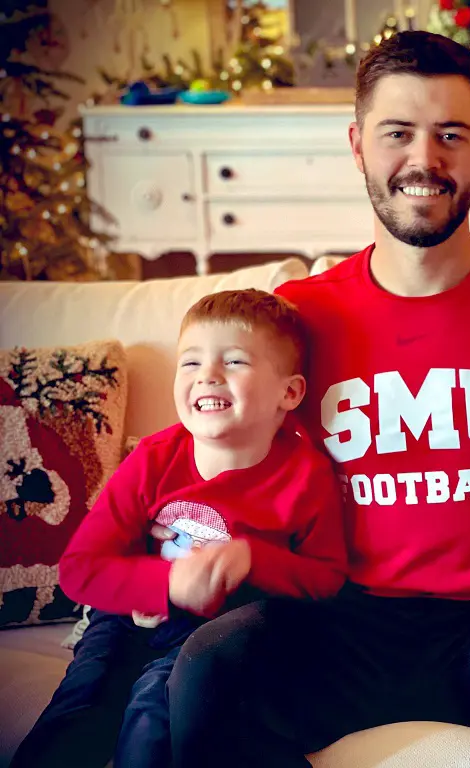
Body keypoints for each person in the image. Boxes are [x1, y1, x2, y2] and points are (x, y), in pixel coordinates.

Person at [166, 31, 470, 768]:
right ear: (358, 144)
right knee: (211, 666)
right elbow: (228, 464)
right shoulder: (296, 319)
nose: (424, 160)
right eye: (397, 133)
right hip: (345, 618)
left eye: (450, 135)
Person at [11, 289, 348, 768]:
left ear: (289, 393)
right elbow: (79, 569)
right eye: (190, 363)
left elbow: (327, 579)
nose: (207, 375)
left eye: (233, 361)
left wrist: (254, 559)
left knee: (154, 712)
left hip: (221, 634)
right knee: (79, 705)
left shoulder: (307, 475)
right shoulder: (153, 459)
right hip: (129, 619)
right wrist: (167, 583)